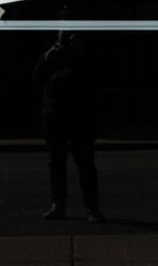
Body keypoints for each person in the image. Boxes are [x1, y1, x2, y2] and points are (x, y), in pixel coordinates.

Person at [32, 17, 104, 222]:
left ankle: (92, 207)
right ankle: (59, 205)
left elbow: (96, 75)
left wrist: (83, 54)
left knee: (85, 161)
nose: (63, 36)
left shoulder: (84, 53)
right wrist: (48, 55)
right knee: (56, 162)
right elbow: (36, 78)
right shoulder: (51, 54)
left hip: (80, 113)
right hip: (54, 112)